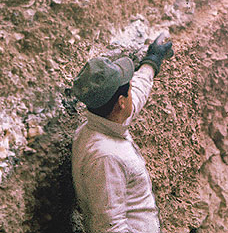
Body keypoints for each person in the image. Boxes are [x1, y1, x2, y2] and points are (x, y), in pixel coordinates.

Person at [71, 34, 174, 233]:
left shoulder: (103, 121)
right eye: (128, 91)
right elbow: (111, 227)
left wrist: (152, 61)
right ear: (121, 102)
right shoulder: (105, 157)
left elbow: (138, 92)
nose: (132, 94)